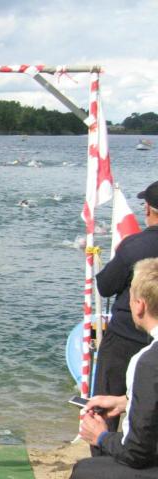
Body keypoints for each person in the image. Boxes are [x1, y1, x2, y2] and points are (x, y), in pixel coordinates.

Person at [70, 257, 158, 479]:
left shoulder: (147, 362)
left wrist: (102, 437)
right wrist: (125, 402)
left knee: (83, 477)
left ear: (139, 305)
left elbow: (136, 453)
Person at [93, 180, 158, 439]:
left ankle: (102, 451)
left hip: (126, 337)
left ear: (148, 209)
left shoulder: (134, 246)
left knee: (105, 404)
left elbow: (105, 286)